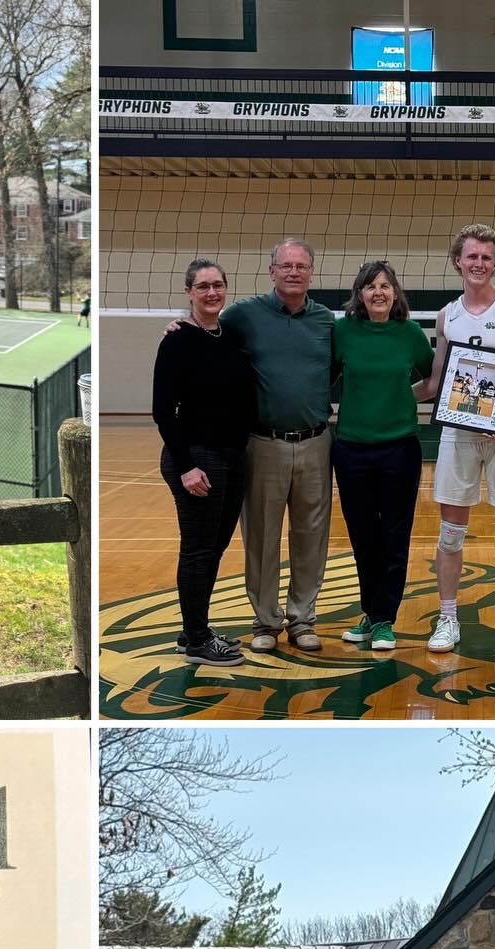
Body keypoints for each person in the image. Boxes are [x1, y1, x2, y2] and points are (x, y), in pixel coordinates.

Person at [414, 224, 495, 653]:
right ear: (458, 261)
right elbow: (435, 382)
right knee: (450, 533)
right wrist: (383, 396)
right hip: (459, 433)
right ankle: (447, 619)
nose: (479, 264)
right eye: (472, 257)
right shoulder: (446, 316)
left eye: (487, 257)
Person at [220, 238, 334, 653]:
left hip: (316, 442)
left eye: (301, 266)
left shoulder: (325, 321)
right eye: (285, 265)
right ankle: (266, 622)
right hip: (263, 443)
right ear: (271, 271)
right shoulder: (243, 315)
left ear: (311, 273)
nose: (292, 272)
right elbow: (207, 329)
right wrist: (179, 325)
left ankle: (302, 619)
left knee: (311, 535)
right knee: (262, 536)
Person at [152, 259, 255, 665]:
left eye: (218, 285)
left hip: (231, 455)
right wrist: (185, 466)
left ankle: (194, 629)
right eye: (203, 286)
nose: (212, 293)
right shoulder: (177, 340)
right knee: (197, 549)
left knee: (213, 549)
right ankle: (196, 640)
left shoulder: (229, 335)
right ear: (189, 292)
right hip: (196, 457)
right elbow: (163, 410)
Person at [330, 259, 433, 652]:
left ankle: (384, 620)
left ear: (395, 293)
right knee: (362, 536)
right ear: (359, 294)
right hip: (352, 448)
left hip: (399, 449)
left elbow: (435, 379)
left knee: (393, 535)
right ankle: (371, 613)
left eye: (385, 286)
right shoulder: (342, 331)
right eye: (370, 286)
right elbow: (321, 373)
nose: (378, 292)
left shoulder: (410, 334)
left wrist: (402, 396)